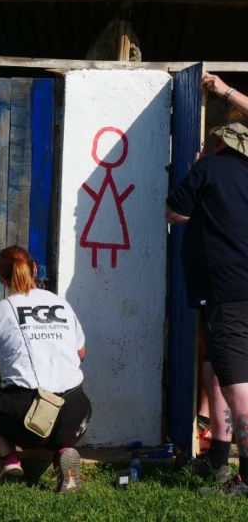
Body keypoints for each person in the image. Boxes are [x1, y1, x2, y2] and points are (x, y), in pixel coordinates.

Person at [166, 97, 248, 496]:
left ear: (220, 142)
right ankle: (217, 459)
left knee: (237, 385)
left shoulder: (209, 167)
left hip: (227, 293)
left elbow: (174, 213)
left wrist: (197, 176)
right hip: (236, 293)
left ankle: (246, 477)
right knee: (215, 371)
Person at [0, 245, 91, 493]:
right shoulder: (62, 305)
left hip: (25, 418)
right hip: (76, 415)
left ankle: (9, 460)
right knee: (56, 404)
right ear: (35, 269)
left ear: (2, 278)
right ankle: (63, 451)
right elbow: (81, 353)